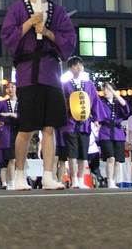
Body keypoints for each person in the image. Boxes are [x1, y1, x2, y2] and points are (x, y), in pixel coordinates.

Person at [0, 0, 76, 191]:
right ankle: (20, 175)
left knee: (50, 127)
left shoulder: (57, 10)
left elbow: (69, 40)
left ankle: (48, 175)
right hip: (28, 73)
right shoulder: (17, 8)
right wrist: (29, 23)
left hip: (51, 72)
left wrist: (48, 32)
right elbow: (8, 35)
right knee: (26, 127)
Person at [60, 57, 93, 189]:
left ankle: (81, 179)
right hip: (70, 123)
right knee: (72, 153)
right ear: (69, 69)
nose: (78, 67)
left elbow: (94, 101)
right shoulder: (65, 85)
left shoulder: (89, 84)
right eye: (75, 65)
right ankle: (74, 180)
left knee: (83, 153)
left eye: (80, 65)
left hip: (85, 123)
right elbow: (61, 103)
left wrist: (97, 118)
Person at [92, 81, 129, 188]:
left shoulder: (117, 102)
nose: (105, 92)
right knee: (110, 158)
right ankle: (109, 181)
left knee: (118, 160)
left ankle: (114, 179)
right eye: (104, 90)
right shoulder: (101, 102)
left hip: (118, 132)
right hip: (105, 131)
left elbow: (124, 106)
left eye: (108, 89)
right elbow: (95, 110)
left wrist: (113, 91)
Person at [0, 82, 19, 189]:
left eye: (12, 87)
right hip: (8, 131)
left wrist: (13, 114)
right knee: (11, 158)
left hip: (19, 132)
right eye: (8, 87)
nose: (10, 89)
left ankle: (13, 181)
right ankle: (11, 182)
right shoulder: (3, 103)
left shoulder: (22, 103)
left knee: (17, 158)